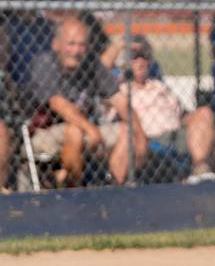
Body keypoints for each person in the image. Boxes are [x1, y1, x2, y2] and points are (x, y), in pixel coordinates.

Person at [27, 16, 147, 187]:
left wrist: (140, 133)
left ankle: (117, 186)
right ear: (56, 44)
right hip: (45, 133)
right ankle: (70, 188)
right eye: (71, 44)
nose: (76, 51)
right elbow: (58, 104)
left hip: (86, 130)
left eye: (82, 45)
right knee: (74, 131)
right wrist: (91, 129)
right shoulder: (44, 63)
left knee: (128, 130)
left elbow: (119, 101)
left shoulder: (91, 63)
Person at [120, 35, 215, 183]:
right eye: (134, 57)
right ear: (125, 62)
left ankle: (200, 172)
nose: (140, 61)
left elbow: (182, 115)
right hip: (149, 136)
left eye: (144, 56)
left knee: (204, 112)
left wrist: (202, 118)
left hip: (176, 130)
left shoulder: (159, 85)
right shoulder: (120, 89)